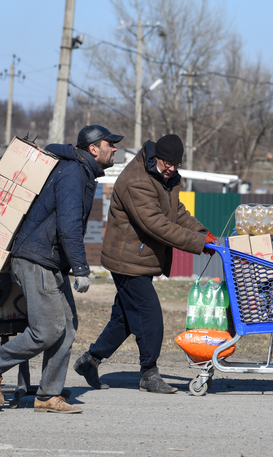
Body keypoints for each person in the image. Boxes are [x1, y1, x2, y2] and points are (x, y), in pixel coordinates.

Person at [0, 125, 122, 414]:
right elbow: (69, 225)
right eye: (109, 144)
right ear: (93, 148)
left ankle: (48, 395)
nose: (114, 148)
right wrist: (81, 267)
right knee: (47, 330)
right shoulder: (73, 173)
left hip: (49, 259)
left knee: (66, 329)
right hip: (37, 258)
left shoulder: (81, 172)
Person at [74, 134, 217, 394]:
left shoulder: (164, 177)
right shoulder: (136, 180)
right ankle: (149, 374)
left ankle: (90, 360)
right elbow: (156, 224)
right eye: (168, 163)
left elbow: (175, 212)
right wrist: (198, 243)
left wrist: (203, 233)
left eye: (177, 164)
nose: (172, 168)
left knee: (125, 319)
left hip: (141, 258)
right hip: (127, 260)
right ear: (155, 158)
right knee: (149, 315)